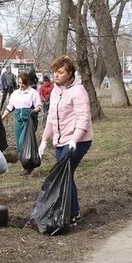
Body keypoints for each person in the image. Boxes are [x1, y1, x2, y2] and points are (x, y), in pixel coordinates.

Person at [39, 55, 93, 224]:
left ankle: (73, 212)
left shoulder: (78, 91)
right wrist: (44, 140)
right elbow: (51, 118)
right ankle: (70, 210)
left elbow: (83, 118)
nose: (56, 75)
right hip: (61, 141)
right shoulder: (56, 91)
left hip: (79, 140)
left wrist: (75, 140)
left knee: (64, 174)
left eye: (60, 72)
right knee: (65, 176)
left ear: (70, 74)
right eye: (55, 72)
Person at [0, 72, 42, 175]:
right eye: (19, 83)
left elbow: (39, 106)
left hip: (29, 121)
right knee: (19, 145)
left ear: (27, 82)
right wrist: (1, 118)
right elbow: (10, 107)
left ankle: (30, 164)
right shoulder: (15, 94)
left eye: (23, 83)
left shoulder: (33, 93)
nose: (21, 85)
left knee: (23, 142)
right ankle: (26, 166)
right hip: (19, 121)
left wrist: (34, 111)